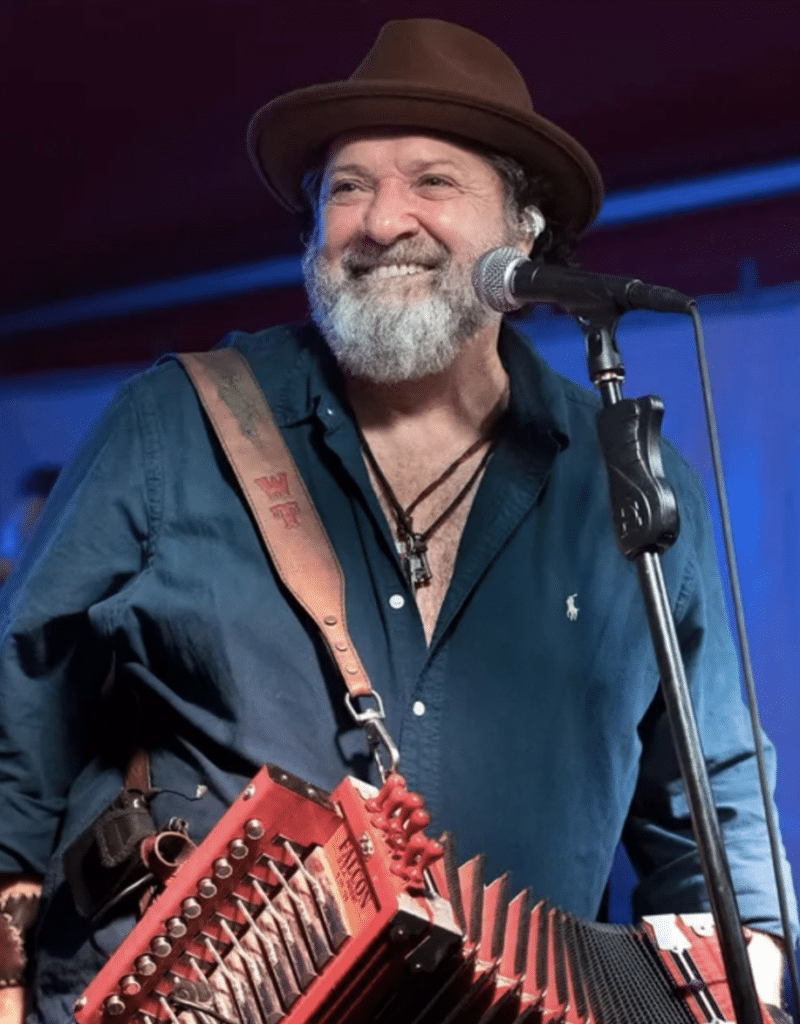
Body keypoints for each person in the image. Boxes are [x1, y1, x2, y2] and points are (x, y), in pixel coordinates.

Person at [0, 19, 795, 1023]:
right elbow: (15, 726)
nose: (380, 221)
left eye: (432, 181)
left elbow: (711, 813)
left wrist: (752, 961)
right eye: (346, 187)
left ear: (523, 231)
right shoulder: (173, 424)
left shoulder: (630, 485)